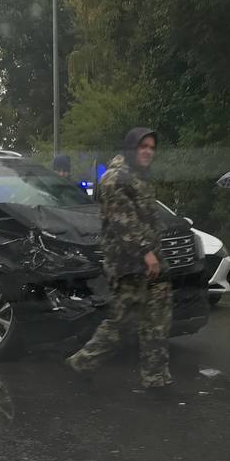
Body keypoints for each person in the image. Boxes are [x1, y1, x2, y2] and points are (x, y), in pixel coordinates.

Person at [66, 127, 172, 389]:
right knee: (122, 325)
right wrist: (146, 253)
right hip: (127, 266)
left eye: (151, 147)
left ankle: (156, 378)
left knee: (157, 320)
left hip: (150, 262)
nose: (148, 151)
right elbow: (123, 223)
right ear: (131, 148)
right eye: (143, 146)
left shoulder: (140, 177)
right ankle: (82, 363)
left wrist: (156, 253)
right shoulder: (115, 178)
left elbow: (147, 218)